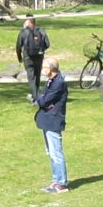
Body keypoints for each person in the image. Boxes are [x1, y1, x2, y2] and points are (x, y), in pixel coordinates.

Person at [35, 55, 69, 192]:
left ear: (51, 68)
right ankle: (55, 180)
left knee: (56, 152)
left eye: (44, 67)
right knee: (51, 152)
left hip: (53, 121)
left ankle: (61, 183)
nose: (42, 69)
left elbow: (43, 101)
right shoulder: (51, 81)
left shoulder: (58, 83)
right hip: (47, 120)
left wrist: (38, 98)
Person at [16, 16, 50, 98]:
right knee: (37, 77)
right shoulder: (41, 31)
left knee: (31, 78)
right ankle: (36, 95)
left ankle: (36, 97)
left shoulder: (23, 32)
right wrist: (41, 50)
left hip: (28, 58)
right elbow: (48, 44)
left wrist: (20, 58)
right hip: (39, 57)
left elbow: (18, 47)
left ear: (28, 22)